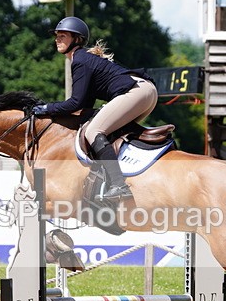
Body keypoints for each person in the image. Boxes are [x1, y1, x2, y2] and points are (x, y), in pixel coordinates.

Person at [32, 16, 158, 201]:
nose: (57, 39)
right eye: (57, 36)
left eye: (63, 36)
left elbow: (75, 103)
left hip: (136, 92)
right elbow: (84, 106)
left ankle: (119, 185)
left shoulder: (80, 60)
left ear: (77, 39)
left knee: (94, 132)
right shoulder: (84, 59)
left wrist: (46, 108)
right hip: (145, 92)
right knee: (107, 132)